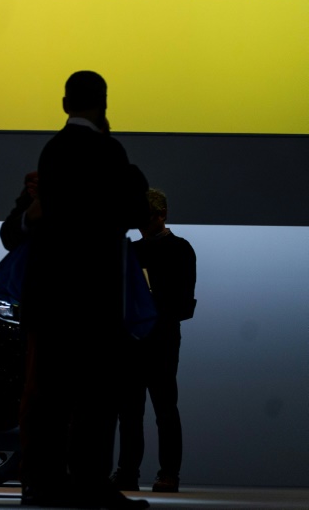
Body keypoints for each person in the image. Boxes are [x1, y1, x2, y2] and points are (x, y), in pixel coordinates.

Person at [18, 71, 150, 509]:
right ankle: (91, 482)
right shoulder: (110, 152)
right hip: (95, 296)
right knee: (96, 396)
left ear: (65, 104)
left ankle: (44, 484)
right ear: (104, 103)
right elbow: (134, 211)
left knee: (49, 396)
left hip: (51, 296)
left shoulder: (52, 151)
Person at [111, 188, 197, 494]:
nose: (140, 223)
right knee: (133, 410)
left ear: (161, 215)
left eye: (145, 217)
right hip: (140, 338)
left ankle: (162, 473)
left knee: (160, 408)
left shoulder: (179, 249)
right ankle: (133, 472)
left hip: (157, 337)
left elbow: (182, 300)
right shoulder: (137, 250)